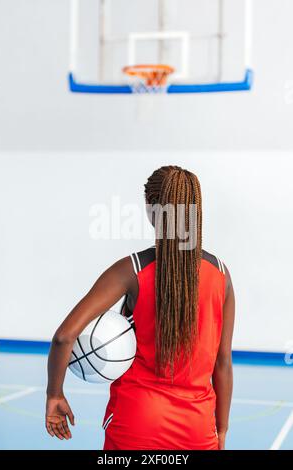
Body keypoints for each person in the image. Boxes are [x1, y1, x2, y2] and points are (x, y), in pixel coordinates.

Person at [45, 165, 235, 450]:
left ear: (151, 209)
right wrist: (220, 430)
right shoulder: (221, 275)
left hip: (135, 423)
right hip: (197, 429)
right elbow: (222, 362)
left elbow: (64, 337)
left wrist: (54, 394)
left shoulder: (131, 270)